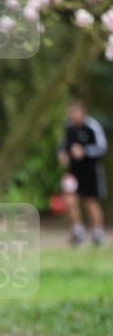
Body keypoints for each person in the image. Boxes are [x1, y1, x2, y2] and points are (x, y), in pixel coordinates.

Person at [57, 100, 108, 245]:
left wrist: (84, 152)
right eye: (70, 112)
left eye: (75, 112)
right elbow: (63, 145)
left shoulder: (92, 126)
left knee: (90, 201)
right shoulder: (68, 126)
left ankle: (98, 232)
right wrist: (62, 154)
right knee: (69, 199)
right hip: (73, 172)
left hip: (91, 171)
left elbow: (102, 147)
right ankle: (77, 230)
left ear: (82, 112)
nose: (72, 115)